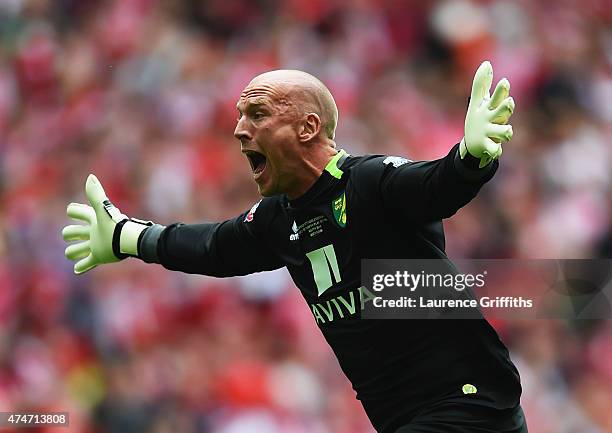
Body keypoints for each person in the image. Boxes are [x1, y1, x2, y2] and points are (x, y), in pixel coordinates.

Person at [63, 61, 527, 433]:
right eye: (240, 116)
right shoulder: (277, 220)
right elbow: (211, 248)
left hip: (471, 406)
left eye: (258, 115)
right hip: (408, 419)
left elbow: (435, 187)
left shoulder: (368, 182)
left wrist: (471, 158)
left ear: (307, 127)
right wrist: (126, 236)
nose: (240, 130)